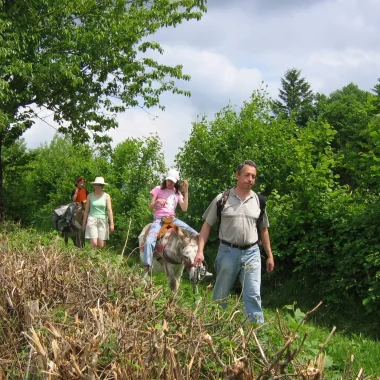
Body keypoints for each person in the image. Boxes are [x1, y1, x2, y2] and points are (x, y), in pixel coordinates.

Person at [194, 160, 274, 324]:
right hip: (227, 252)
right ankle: (214, 329)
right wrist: (200, 251)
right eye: (247, 175)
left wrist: (270, 255)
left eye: (253, 176)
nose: (250, 179)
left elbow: (264, 229)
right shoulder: (222, 199)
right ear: (237, 175)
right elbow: (207, 226)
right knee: (220, 295)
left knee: (253, 295)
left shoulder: (259, 201)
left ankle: (256, 336)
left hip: (252, 253)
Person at [142, 169, 198, 275]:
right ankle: (146, 268)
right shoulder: (158, 189)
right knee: (149, 241)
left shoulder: (177, 193)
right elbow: (150, 207)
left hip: (172, 219)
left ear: (176, 182)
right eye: (168, 180)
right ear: (165, 179)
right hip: (159, 219)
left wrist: (186, 192)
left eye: (172, 181)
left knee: (196, 234)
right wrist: (157, 201)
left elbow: (184, 208)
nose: (169, 183)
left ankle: (198, 263)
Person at [82, 177, 114, 249]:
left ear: (102, 186)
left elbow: (109, 209)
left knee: (101, 245)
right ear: (94, 185)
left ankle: (97, 258)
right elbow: (86, 210)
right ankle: (91, 258)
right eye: (96, 185)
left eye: (99, 185)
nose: (98, 186)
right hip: (92, 219)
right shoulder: (90, 196)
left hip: (103, 220)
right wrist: (84, 224)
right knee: (94, 243)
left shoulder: (106, 196)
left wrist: (112, 223)